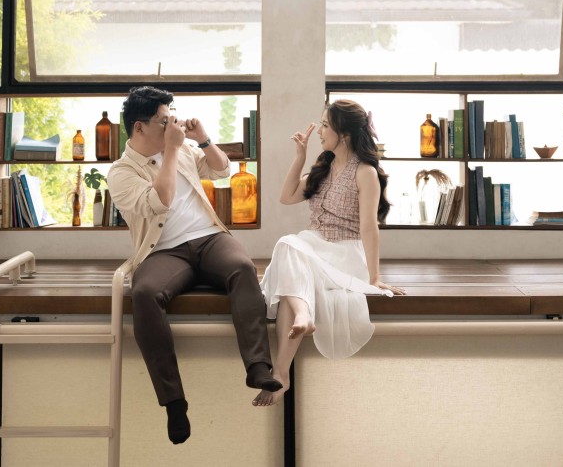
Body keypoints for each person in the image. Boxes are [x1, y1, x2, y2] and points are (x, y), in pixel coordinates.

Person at [107, 85, 279, 444]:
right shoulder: (121, 173)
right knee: (144, 292)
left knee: (243, 267)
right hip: (163, 252)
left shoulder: (183, 147)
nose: (173, 125)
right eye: (164, 120)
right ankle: (174, 402)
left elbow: (222, 169)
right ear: (139, 127)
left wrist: (203, 140)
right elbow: (161, 200)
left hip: (209, 238)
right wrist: (171, 149)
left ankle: (258, 367)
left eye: (173, 117)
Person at [253, 99, 406, 407]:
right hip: (314, 247)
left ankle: (302, 318)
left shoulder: (365, 172)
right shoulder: (324, 168)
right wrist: (299, 157)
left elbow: (369, 228)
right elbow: (287, 197)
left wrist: (374, 278)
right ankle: (282, 372)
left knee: (287, 247)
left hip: (344, 252)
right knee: (290, 266)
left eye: (325, 125)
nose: (320, 131)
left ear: (344, 133)